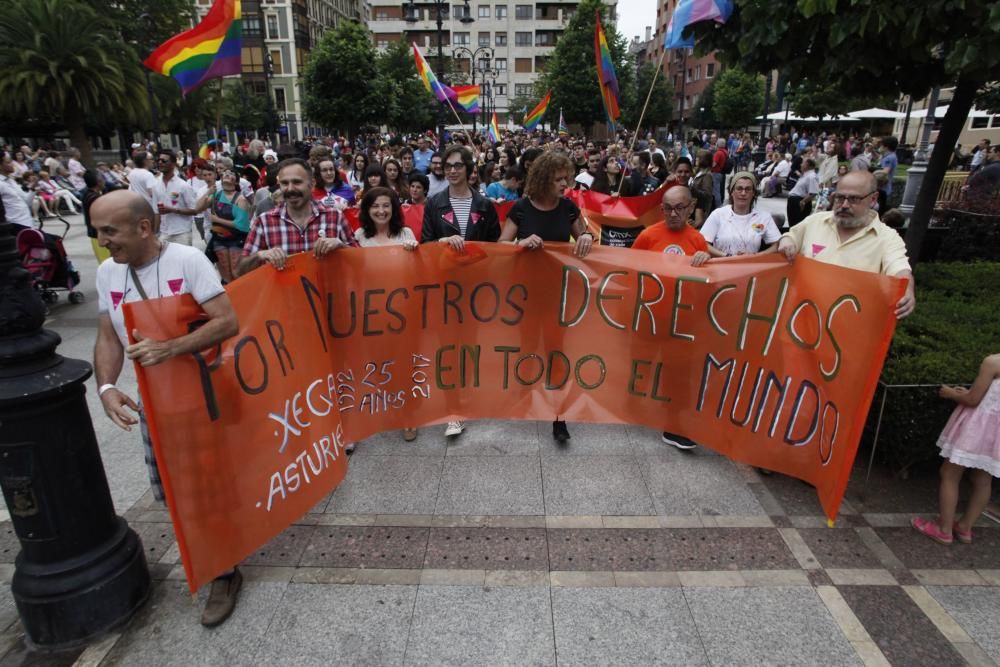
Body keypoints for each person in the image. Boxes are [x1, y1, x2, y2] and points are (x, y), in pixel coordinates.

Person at [91, 189, 242, 627]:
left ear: (143, 227)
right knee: (173, 491)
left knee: (208, 488)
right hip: (156, 407)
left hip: (202, 398)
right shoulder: (106, 273)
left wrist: (172, 347)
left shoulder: (188, 261)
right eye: (98, 232)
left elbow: (227, 321)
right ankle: (207, 554)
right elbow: (107, 335)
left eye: (109, 231)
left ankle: (224, 571)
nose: (102, 241)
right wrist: (105, 387)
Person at [499, 151, 593, 444]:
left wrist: (588, 237)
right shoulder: (521, 209)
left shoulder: (568, 208)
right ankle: (525, 396)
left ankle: (558, 416)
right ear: (542, 180)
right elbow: (501, 245)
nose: (565, 184)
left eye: (565, 178)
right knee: (527, 347)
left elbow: (585, 237)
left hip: (560, 293)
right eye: (558, 179)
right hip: (526, 294)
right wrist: (521, 242)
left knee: (556, 353)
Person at [420, 145, 501, 439]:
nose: (452, 170)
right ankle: (453, 409)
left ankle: (464, 396)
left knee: (469, 346)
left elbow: (495, 248)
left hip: (475, 290)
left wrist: (475, 256)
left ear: (469, 169)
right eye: (447, 166)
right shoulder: (434, 203)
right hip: (444, 289)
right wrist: (444, 241)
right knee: (447, 347)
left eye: (457, 165)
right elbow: (425, 243)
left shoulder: (484, 205)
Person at [631, 185, 711, 450]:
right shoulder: (647, 236)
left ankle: (673, 425)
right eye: (667, 208)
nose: (673, 213)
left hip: (682, 321)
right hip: (650, 317)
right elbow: (628, 270)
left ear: (690, 207)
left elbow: (706, 281)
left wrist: (706, 259)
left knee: (677, 373)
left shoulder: (698, 240)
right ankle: (632, 404)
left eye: (679, 207)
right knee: (642, 365)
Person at [777, 170, 916, 319]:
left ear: (873, 199)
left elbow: (900, 269)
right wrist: (786, 240)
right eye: (839, 197)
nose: (844, 205)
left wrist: (907, 289)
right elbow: (790, 237)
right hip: (801, 323)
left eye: (854, 199)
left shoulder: (887, 238)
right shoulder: (814, 222)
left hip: (848, 331)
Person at [911, 354, 1000, 545]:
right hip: (997, 435)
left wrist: (953, 394)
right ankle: (965, 527)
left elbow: (973, 400)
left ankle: (943, 529)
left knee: (950, 473)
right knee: (983, 479)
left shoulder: (994, 362)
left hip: (977, 428)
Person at [238, 157, 358, 276]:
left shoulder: (334, 217)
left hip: (327, 293)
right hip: (284, 294)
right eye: (285, 183)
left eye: (297, 182)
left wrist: (341, 246)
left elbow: (360, 260)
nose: (290, 189)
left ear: (312, 184)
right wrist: (260, 255)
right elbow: (240, 270)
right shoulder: (264, 222)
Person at [700, 172, 781, 258]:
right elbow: (703, 243)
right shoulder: (718, 214)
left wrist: (755, 256)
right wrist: (728, 256)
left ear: (753, 193)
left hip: (751, 267)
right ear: (731, 192)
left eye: (748, 189)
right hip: (722, 266)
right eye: (739, 188)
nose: (743, 193)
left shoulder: (763, 217)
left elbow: (777, 245)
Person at [200, 168, 250, 284]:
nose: (227, 175)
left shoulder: (240, 199)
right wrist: (208, 193)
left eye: (231, 174)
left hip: (236, 240)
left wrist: (217, 219)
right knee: (226, 274)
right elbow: (198, 208)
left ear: (236, 182)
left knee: (236, 273)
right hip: (219, 239)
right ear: (221, 179)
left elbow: (241, 224)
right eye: (225, 173)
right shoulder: (216, 196)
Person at [153, 149, 197, 246]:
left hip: (182, 232)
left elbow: (194, 210)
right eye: (158, 160)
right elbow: (156, 212)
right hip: (164, 233)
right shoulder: (155, 185)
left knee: (183, 261)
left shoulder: (183, 186)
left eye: (164, 161)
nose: (160, 163)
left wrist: (172, 210)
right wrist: (155, 234)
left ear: (173, 164)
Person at [0, 152, 37, 229]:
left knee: (55, 239)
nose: (13, 164)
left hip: (28, 222)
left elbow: (27, 201)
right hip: (14, 224)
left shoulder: (12, 181)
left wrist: (33, 189)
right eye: (9, 162)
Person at [82, 170, 109, 263]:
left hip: (96, 234)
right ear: (98, 182)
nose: (105, 181)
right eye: (103, 178)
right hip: (99, 235)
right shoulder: (94, 198)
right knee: (106, 262)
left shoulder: (88, 194)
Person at [786, 158, 819, 227]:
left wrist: (803, 202)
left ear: (808, 165)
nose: (801, 165)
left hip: (800, 201)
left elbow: (813, 192)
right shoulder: (805, 175)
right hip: (793, 200)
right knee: (792, 224)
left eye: (803, 163)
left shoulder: (812, 176)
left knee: (797, 225)